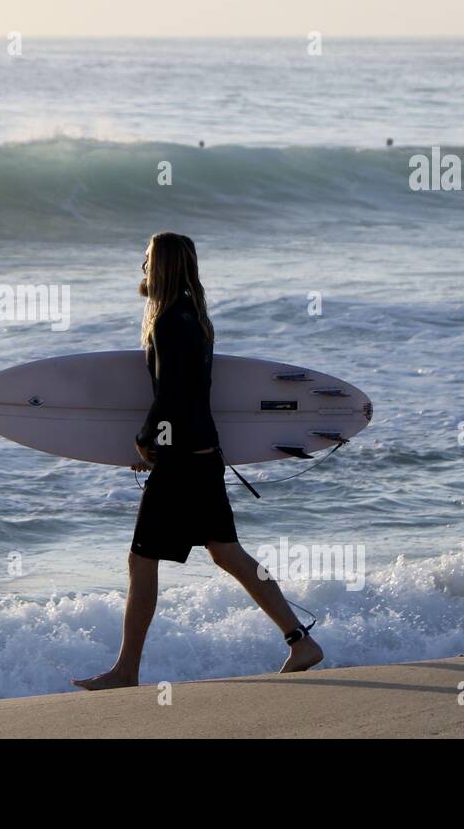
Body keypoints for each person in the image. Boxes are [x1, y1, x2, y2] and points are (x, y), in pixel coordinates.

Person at [72, 232, 323, 690]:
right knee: (228, 553)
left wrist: (149, 440)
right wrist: (158, 441)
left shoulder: (169, 322)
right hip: (203, 456)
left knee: (141, 560)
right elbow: (187, 396)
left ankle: (127, 670)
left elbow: (173, 395)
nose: (141, 269)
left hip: (184, 464)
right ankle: (299, 641)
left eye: (146, 260)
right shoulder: (196, 319)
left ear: (161, 265)